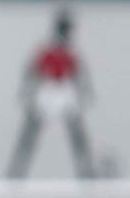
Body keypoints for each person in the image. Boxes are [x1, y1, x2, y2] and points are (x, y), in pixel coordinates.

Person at [9, 10, 96, 180]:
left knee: (78, 134)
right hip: (47, 91)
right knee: (30, 133)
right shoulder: (46, 50)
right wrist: (26, 94)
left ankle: (86, 173)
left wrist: (85, 93)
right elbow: (32, 72)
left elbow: (79, 75)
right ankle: (16, 173)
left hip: (64, 91)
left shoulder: (71, 53)